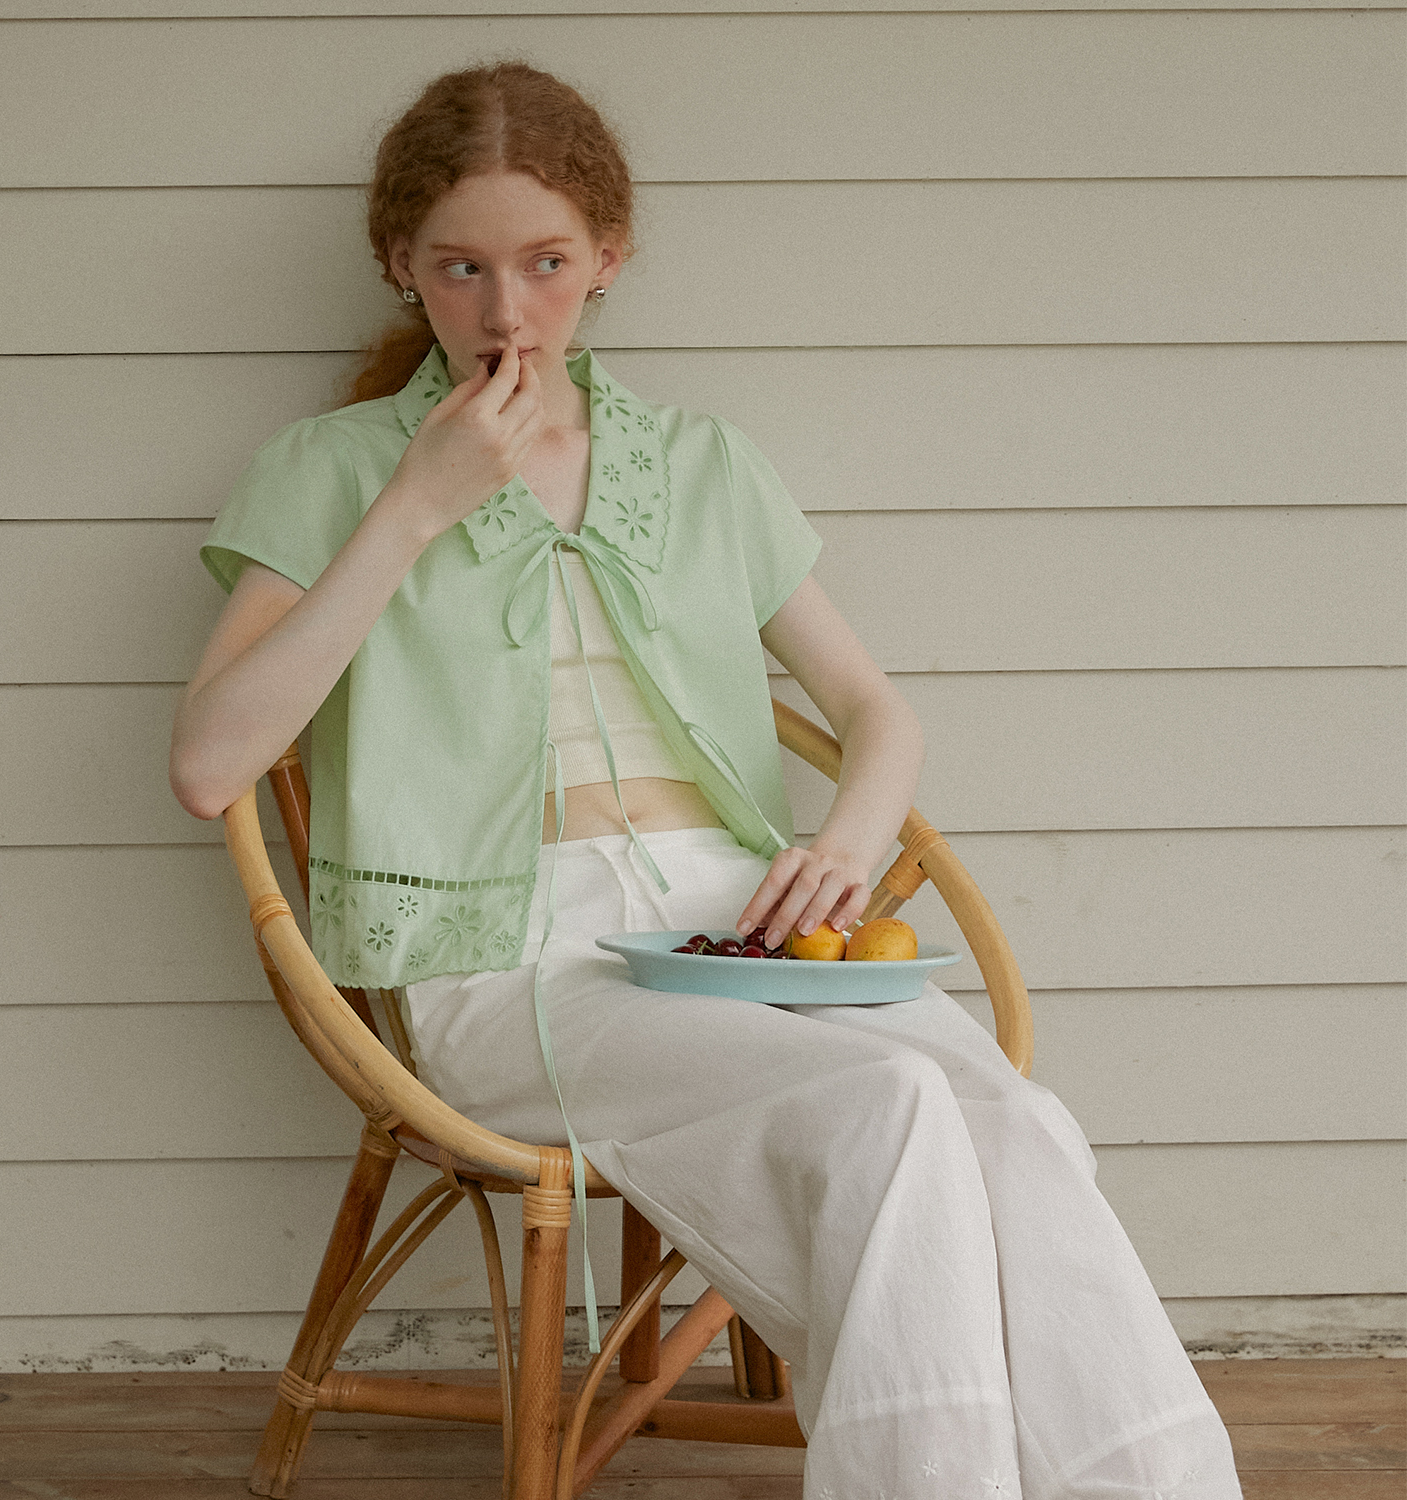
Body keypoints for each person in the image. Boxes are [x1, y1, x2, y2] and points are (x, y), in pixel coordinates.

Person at [170, 60, 1242, 1500]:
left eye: (546, 265)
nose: (504, 311)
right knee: (888, 1111)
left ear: (608, 260)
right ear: (400, 268)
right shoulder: (332, 466)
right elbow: (209, 763)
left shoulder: (701, 465)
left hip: (735, 925)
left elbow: (875, 713)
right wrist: (416, 506)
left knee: (1015, 1122)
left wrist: (849, 848)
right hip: (511, 959)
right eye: (462, 268)